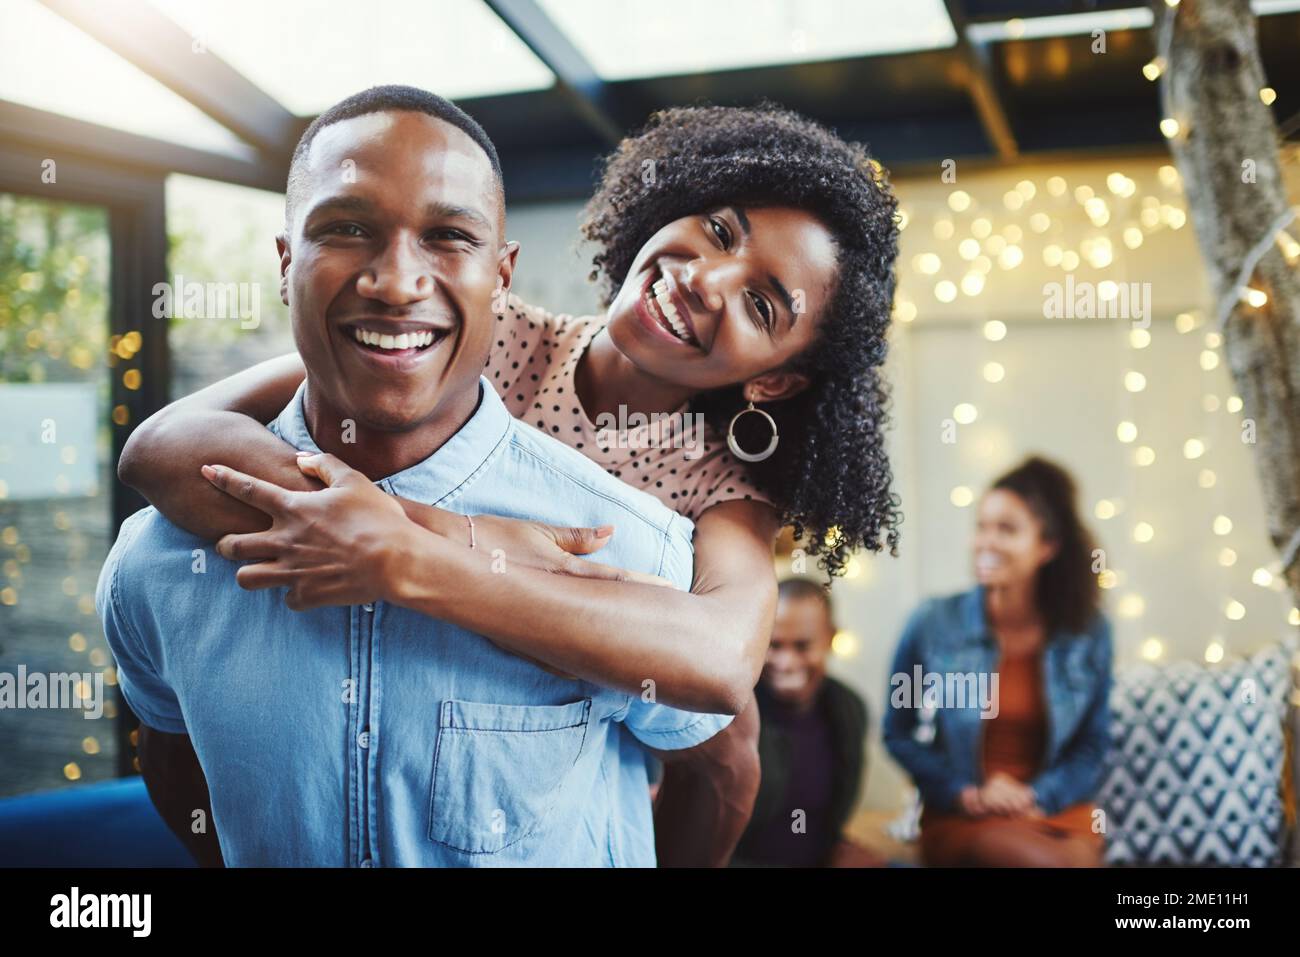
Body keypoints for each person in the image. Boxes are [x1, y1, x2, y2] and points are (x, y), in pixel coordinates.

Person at [96, 87, 757, 867]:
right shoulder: (158, 564)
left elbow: (720, 774)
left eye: (447, 235)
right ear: (285, 263)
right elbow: (177, 769)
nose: (395, 280)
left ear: (500, 276)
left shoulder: (632, 555)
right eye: (346, 229)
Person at [116, 99, 904, 724]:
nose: (706, 278)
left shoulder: (723, 484)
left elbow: (723, 665)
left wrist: (414, 552)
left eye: (762, 304)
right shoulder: (486, 332)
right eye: (718, 230)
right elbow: (164, 445)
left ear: (776, 382)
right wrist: (469, 540)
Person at [883, 456, 1113, 867]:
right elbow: (897, 732)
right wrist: (965, 791)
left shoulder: (1088, 633)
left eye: (1006, 529)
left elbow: (1092, 745)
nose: (985, 542)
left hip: (1051, 810)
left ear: (1047, 546)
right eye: (981, 526)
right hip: (964, 813)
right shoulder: (934, 623)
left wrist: (1036, 796)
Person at [732, 578, 877, 867]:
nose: (786, 662)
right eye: (774, 645)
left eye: (802, 646)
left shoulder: (849, 709)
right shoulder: (732, 711)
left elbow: (832, 819)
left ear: (831, 637)